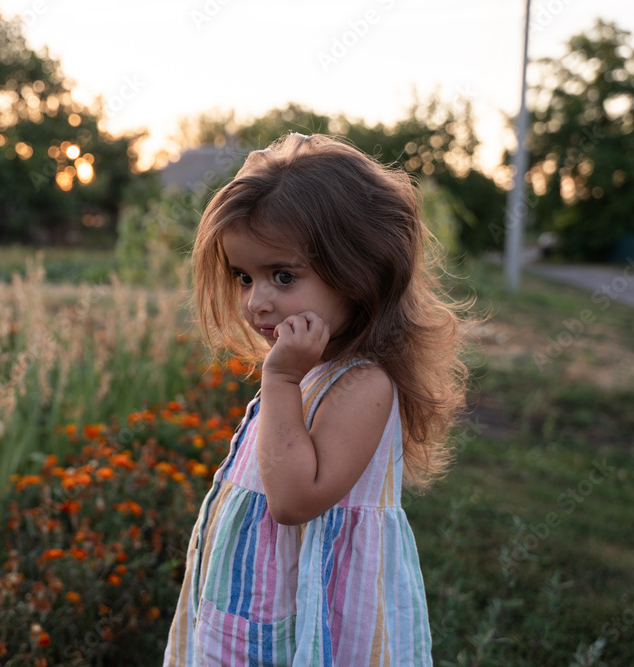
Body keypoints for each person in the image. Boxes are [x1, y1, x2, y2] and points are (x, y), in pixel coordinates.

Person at [164, 133, 467, 666]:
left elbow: (294, 501)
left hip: (321, 613)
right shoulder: (310, 368)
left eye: (283, 276)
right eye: (243, 277)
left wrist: (279, 382)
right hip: (261, 599)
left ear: (358, 272)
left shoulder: (362, 383)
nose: (257, 301)